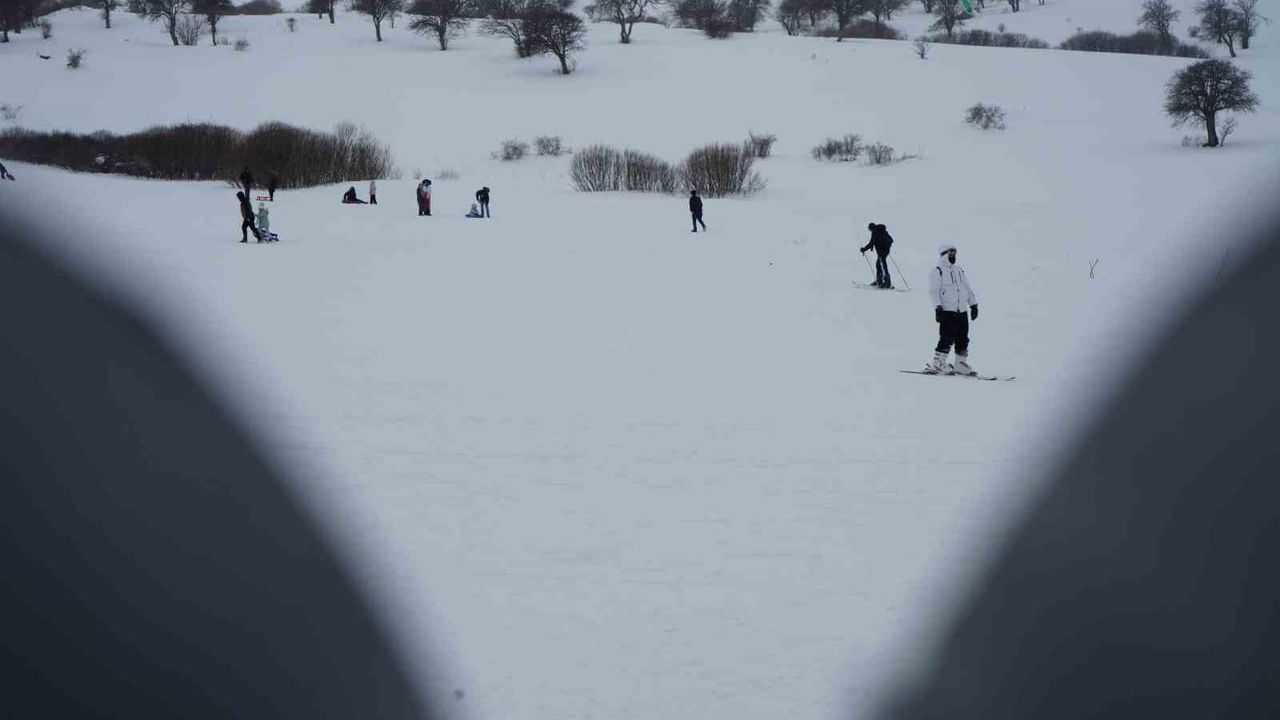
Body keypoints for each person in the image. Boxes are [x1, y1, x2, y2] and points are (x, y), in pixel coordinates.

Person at [927, 244, 979, 375]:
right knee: (946, 337)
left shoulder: (959, 270)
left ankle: (960, 364)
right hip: (947, 310)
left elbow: (967, 288)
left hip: (962, 310)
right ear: (944, 254)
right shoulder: (938, 270)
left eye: (955, 253)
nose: (953, 255)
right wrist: (938, 307)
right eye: (951, 253)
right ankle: (939, 363)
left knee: (963, 337)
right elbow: (934, 292)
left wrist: (973, 304)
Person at [860, 222, 895, 289]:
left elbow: (871, 243)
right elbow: (890, 240)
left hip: (882, 252)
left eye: (870, 230)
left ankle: (887, 283)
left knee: (883, 266)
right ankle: (879, 281)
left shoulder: (875, 232)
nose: (870, 231)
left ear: (871, 228)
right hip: (885, 250)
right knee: (879, 265)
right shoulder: (882, 230)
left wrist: (863, 249)